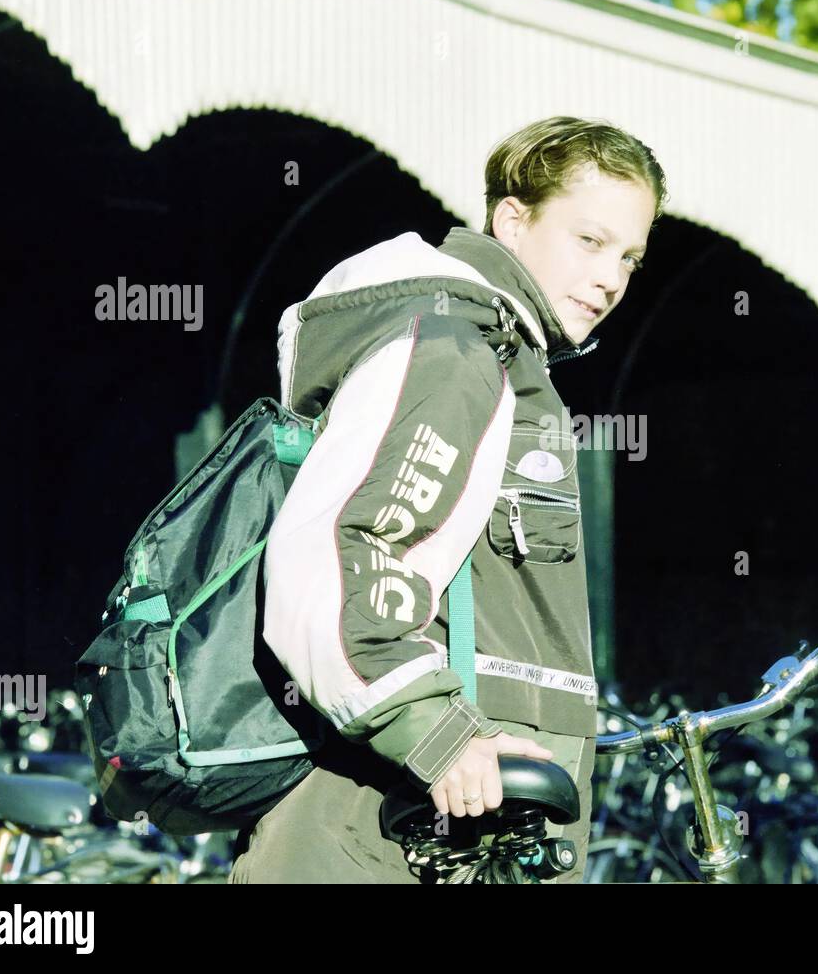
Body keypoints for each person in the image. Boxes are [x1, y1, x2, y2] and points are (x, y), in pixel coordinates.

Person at [229, 115, 668, 883]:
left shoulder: (502, 359)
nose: (612, 278)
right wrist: (441, 738)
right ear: (511, 218)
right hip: (394, 833)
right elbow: (341, 553)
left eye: (630, 256)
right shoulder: (454, 351)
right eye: (589, 241)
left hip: (464, 836)